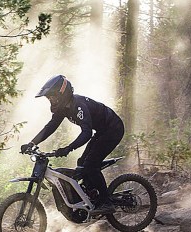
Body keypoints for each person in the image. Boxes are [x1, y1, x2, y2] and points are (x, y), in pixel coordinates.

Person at [21, 75, 124, 215]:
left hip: (113, 129)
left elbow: (86, 133)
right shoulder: (63, 109)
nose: (51, 101)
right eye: (49, 98)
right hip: (102, 131)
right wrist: (32, 143)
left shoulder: (78, 105)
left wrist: (69, 148)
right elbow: (50, 127)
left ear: (62, 94)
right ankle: (93, 196)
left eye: (53, 97)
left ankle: (106, 202)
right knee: (82, 163)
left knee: (91, 165)